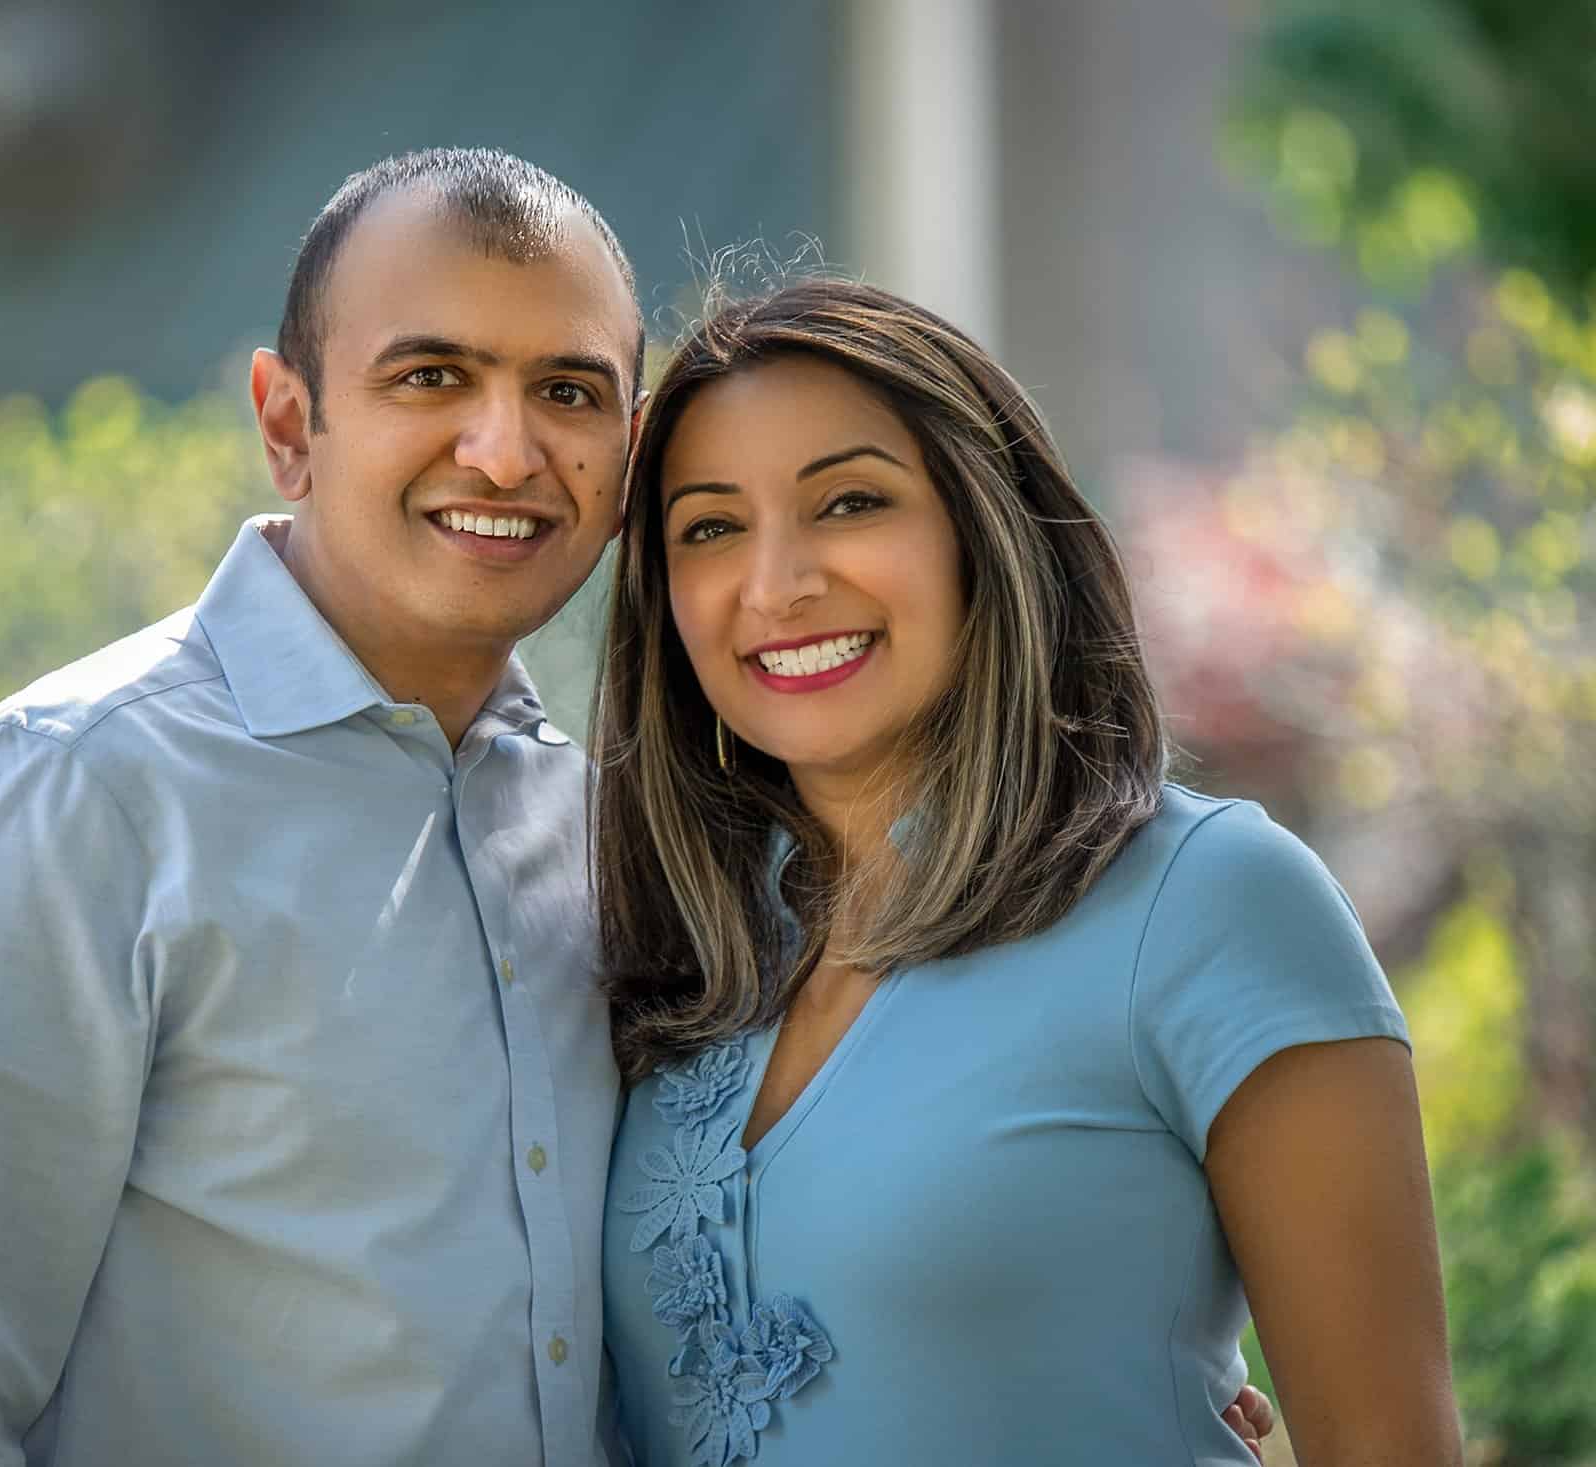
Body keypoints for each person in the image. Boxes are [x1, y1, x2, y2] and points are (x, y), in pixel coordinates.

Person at [0, 147, 1279, 1465]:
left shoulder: (620, 842)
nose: (505, 452)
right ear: (287, 420)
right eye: (430, 377)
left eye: (567, 392)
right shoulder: (64, 798)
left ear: (628, 451)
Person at [590, 276, 1463, 1466]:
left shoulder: (1209, 902)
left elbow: (1386, 1446)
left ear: (980, 530)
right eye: (709, 527)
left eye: (848, 502)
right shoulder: (681, 958)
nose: (775, 583)